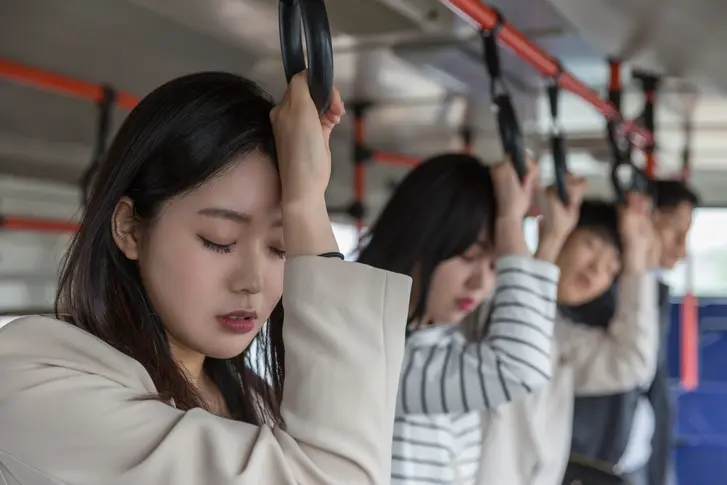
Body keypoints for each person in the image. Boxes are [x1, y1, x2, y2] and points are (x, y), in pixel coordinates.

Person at [0, 72, 413, 485]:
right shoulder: (36, 386)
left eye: (282, 248)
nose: (252, 281)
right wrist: (306, 205)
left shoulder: (252, 398)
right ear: (130, 229)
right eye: (219, 240)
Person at [357, 152, 587, 485]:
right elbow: (520, 366)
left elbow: (524, 347)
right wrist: (509, 223)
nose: (481, 283)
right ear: (419, 239)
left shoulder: (441, 341)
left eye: (495, 265)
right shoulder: (378, 354)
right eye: (469, 256)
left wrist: (550, 239)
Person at [472, 195, 658, 485]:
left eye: (612, 268)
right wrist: (549, 241)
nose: (596, 269)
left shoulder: (562, 337)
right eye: (591, 245)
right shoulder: (483, 298)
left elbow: (631, 361)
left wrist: (635, 256)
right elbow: (520, 314)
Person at [567, 181, 699, 485]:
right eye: (674, 230)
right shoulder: (594, 294)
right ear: (643, 221)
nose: (681, 249)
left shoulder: (653, 295)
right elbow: (631, 361)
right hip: (589, 466)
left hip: (634, 461)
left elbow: (654, 389)